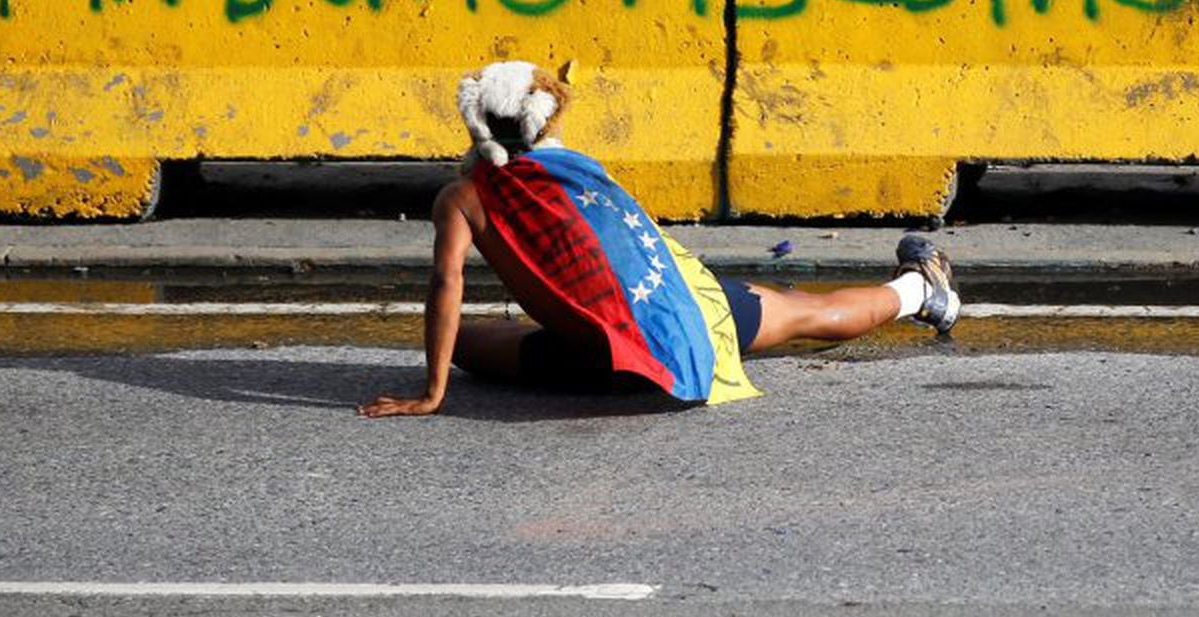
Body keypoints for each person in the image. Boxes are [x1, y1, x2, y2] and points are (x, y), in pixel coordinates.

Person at [359, 60, 959, 418]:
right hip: (677, 317)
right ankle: (917, 292)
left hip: (604, 360)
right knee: (805, 312)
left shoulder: (461, 198)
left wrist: (433, 392)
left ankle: (916, 293)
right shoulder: (577, 167)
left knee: (461, 344)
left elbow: (446, 284)